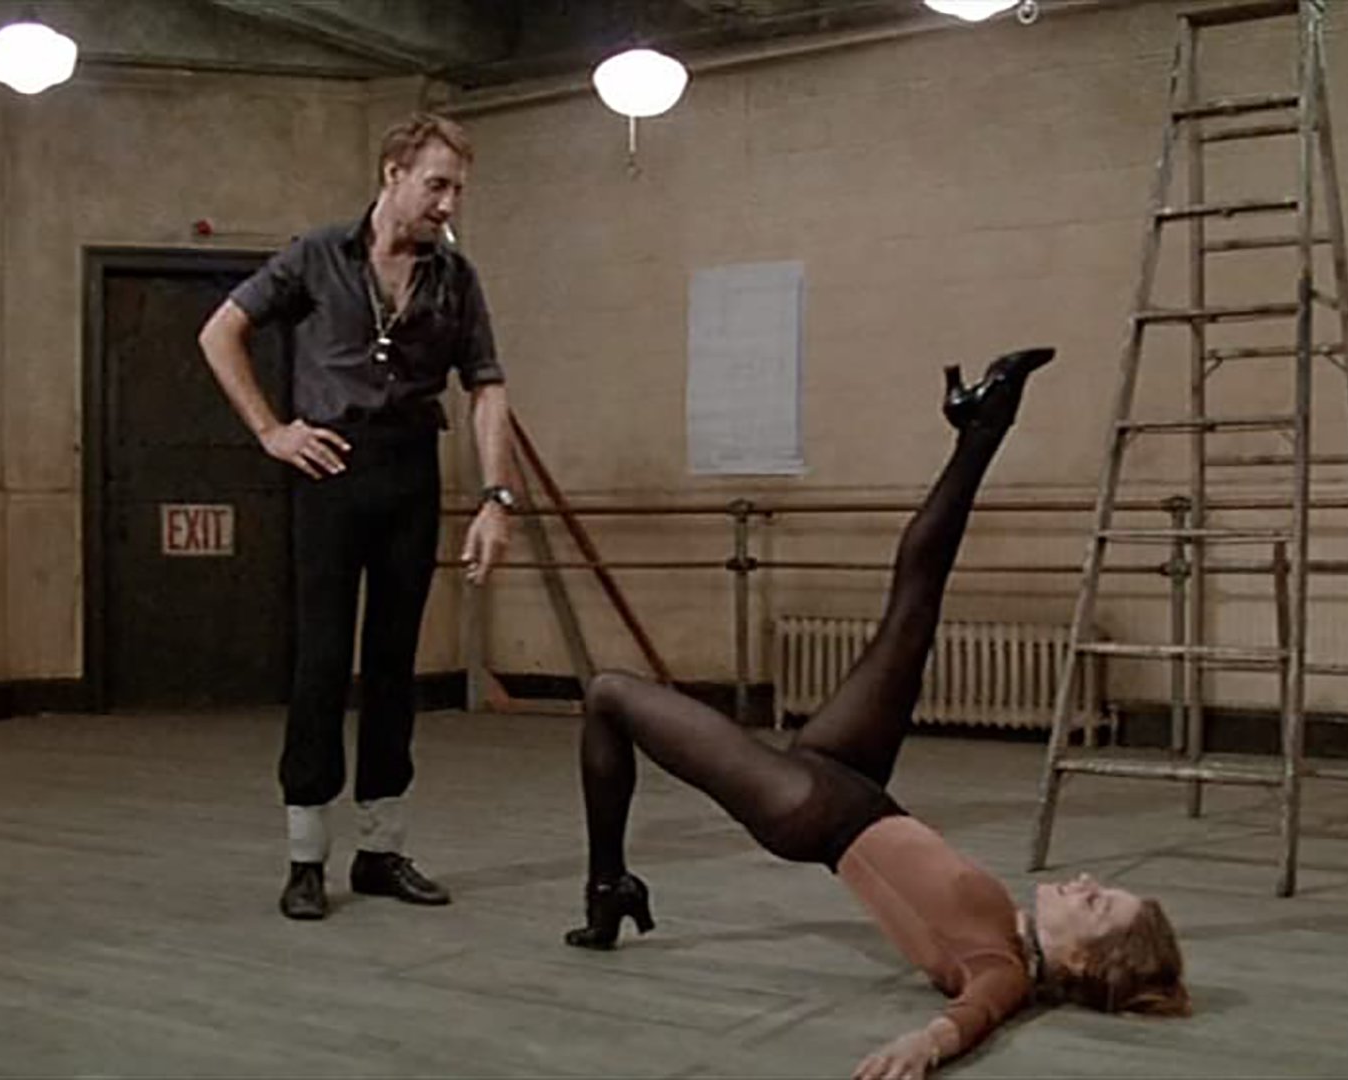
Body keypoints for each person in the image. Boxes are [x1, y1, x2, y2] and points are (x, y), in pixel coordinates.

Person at [563, 347, 1192, 1079]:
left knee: (609, 694)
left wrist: (925, 1044)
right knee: (915, 600)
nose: (1086, 882)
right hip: (856, 786)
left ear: (1080, 959)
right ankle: (984, 427)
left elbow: (975, 1013)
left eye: (1096, 904)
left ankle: (607, 887)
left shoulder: (1001, 967)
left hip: (813, 812)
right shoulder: (1013, 935)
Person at [198, 114, 517, 922]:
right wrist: (271, 431)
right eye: (436, 185)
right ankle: (306, 856)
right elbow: (221, 332)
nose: (448, 204)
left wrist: (496, 498)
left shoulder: (456, 277)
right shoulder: (315, 256)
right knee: (321, 662)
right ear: (392, 174)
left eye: (458, 190)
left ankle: (381, 849)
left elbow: (486, 387)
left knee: (393, 665)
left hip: (409, 473)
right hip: (329, 471)